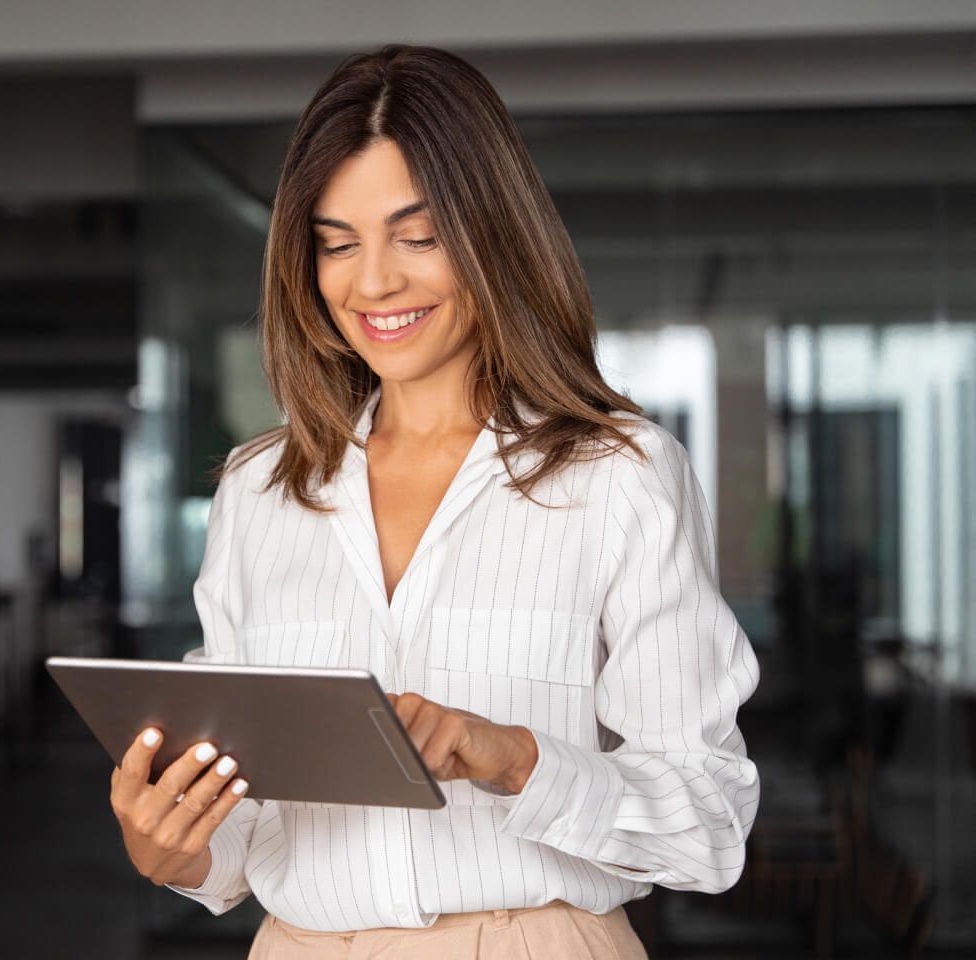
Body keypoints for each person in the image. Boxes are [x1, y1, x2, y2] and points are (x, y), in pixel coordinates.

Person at [107, 44, 760, 959]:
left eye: (417, 237)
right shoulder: (261, 492)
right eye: (338, 243)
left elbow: (709, 822)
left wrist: (513, 758)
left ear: (494, 235)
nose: (372, 282)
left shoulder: (619, 475)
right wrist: (169, 844)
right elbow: (247, 837)